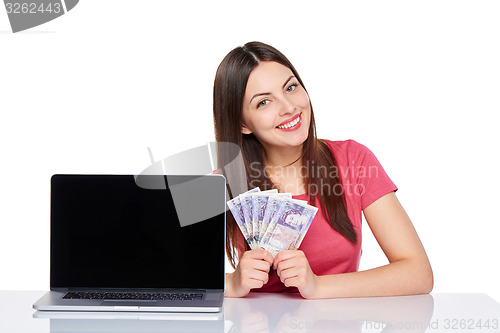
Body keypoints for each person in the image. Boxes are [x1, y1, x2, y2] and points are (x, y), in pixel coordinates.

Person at [213, 41, 433, 299]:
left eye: (291, 88)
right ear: (242, 123)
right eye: (264, 102)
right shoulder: (224, 181)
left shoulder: (354, 160)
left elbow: (418, 273)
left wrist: (317, 286)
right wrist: (231, 283)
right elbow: (162, 269)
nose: (289, 107)